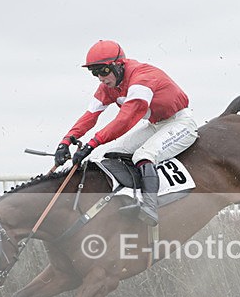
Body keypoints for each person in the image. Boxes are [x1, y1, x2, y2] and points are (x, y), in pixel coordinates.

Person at [54, 40, 198, 227]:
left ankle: (150, 206)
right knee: (113, 153)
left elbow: (126, 120)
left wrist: (91, 144)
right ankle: (132, 197)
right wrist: (65, 141)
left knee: (143, 155)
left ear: (118, 65)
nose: (100, 78)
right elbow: (90, 116)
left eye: (103, 71)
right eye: (94, 72)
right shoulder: (108, 87)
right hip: (157, 125)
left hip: (181, 123)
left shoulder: (142, 78)